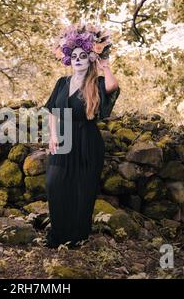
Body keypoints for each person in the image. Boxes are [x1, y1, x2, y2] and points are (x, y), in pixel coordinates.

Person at [43, 21, 120, 248]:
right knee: (55, 184)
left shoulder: (96, 83)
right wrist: (53, 136)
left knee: (82, 188)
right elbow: (52, 112)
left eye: (83, 56)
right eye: (74, 55)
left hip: (88, 139)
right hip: (63, 138)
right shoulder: (61, 82)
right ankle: (59, 235)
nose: (78, 59)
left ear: (90, 59)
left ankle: (77, 237)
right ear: (69, 59)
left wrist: (104, 65)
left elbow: (113, 87)